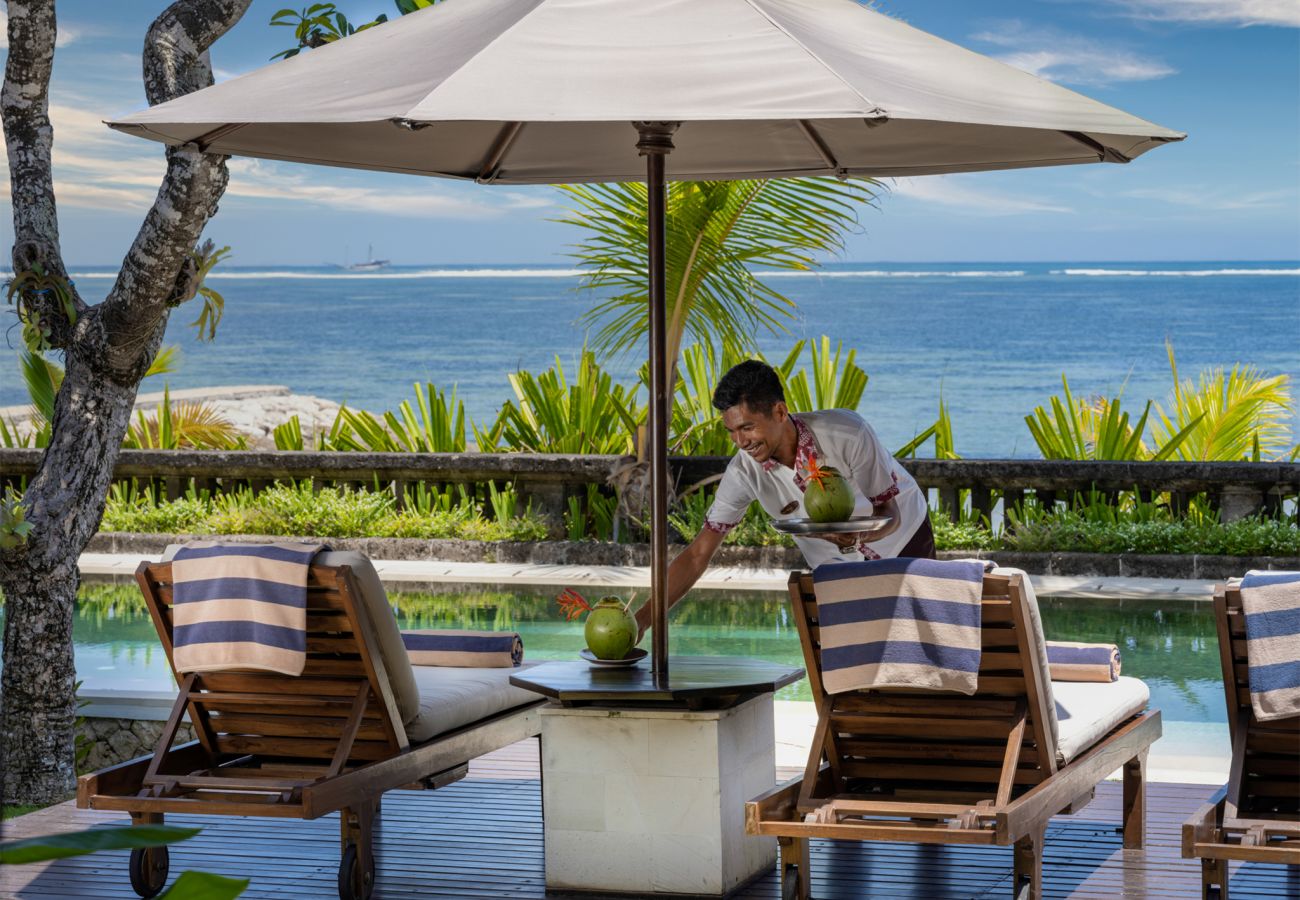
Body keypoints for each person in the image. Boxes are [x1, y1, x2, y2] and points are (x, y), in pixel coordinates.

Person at [636, 359, 934, 637]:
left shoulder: (847, 433)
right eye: (731, 431)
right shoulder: (743, 472)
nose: (740, 442)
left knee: (919, 644)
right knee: (849, 656)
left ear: (780, 412)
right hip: (835, 566)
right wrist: (640, 621)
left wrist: (858, 538)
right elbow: (698, 554)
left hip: (904, 539)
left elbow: (888, 511)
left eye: (747, 427)